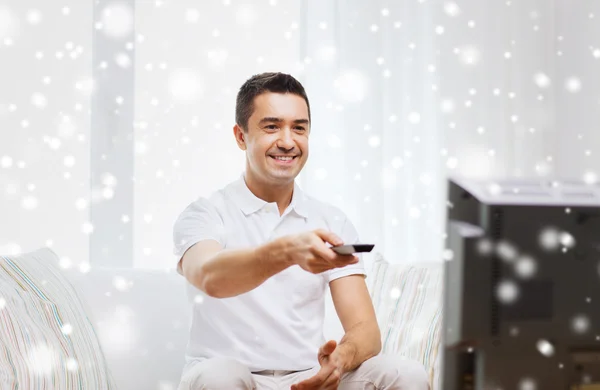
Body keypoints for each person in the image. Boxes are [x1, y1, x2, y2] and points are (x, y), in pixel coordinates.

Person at [172, 72, 430, 390]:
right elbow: (210, 277)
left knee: (405, 374)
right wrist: (288, 251)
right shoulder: (205, 213)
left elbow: (365, 329)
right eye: (271, 126)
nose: (288, 141)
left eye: (299, 128)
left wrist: (339, 360)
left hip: (306, 377)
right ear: (240, 136)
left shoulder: (331, 219)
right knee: (220, 377)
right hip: (230, 378)